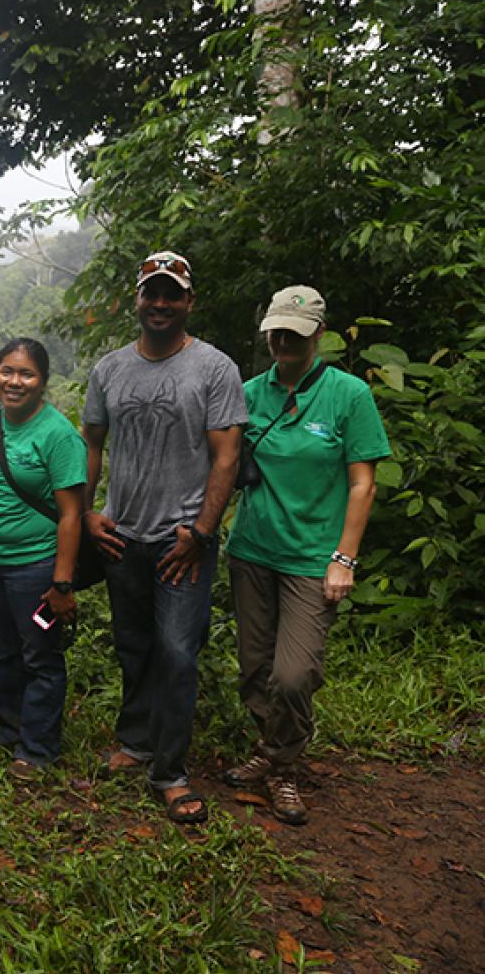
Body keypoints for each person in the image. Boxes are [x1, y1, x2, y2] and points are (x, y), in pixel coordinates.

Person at [82, 251, 246, 825]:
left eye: (170, 293)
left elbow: (227, 456)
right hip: (122, 534)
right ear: (137, 298)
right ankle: (136, 739)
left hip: (184, 540)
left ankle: (170, 772)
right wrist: (87, 512)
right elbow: (93, 444)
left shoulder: (214, 368)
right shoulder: (109, 370)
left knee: (178, 652)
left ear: (188, 301)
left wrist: (201, 533)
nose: (159, 303)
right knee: (134, 644)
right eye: (151, 292)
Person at [222, 286, 389, 825]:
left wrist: (345, 557)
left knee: (294, 674)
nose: (282, 341)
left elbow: (363, 483)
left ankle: (282, 768)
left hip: (312, 558)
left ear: (318, 334)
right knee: (255, 668)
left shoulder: (349, 395)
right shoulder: (248, 393)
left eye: (294, 333)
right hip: (251, 549)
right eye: (275, 331)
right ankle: (270, 752)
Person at [0, 338, 86, 779]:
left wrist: (62, 582)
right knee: (7, 650)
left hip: (36, 564)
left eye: (26, 373)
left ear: (43, 382)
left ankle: (37, 748)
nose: (14, 381)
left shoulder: (58, 435)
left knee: (41, 656)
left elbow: (72, 514)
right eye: (6, 371)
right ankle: (11, 726)